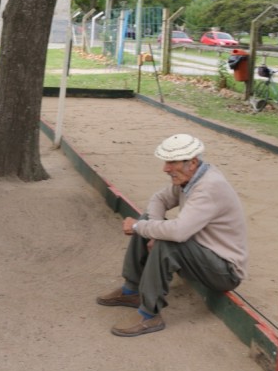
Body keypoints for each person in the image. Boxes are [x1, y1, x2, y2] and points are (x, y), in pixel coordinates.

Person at [96, 134, 248, 337]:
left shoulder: (209, 187)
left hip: (224, 271)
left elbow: (178, 232)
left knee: (166, 241)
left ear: (192, 162)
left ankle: (149, 314)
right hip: (202, 256)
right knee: (147, 220)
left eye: (171, 162)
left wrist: (143, 228)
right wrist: (149, 229)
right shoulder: (190, 178)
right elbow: (159, 199)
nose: (165, 168)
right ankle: (131, 291)